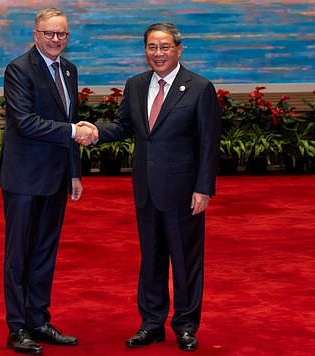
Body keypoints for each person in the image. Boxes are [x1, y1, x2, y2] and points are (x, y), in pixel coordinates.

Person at [77, 22, 221, 352]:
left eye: (165, 47)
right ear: (145, 51)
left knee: (185, 262)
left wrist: (204, 188)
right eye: (152, 47)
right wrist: (95, 133)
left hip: (184, 191)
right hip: (145, 190)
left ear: (179, 49)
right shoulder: (137, 85)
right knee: (151, 259)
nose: (158, 53)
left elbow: (208, 143)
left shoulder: (199, 87)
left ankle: (185, 325)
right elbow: (124, 126)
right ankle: (151, 324)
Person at [0, 7, 94, 355]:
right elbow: (25, 122)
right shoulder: (19, 69)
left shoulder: (69, 70)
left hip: (55, 179)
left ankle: (38, 320)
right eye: (49, 34)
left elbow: (70, 118)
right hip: (23, 178)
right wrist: (73, 131)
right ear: (35, 34)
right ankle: (17, 327)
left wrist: (74, 172)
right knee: (19, 255)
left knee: (44, 254)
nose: (56, 40)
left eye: (62, 35)